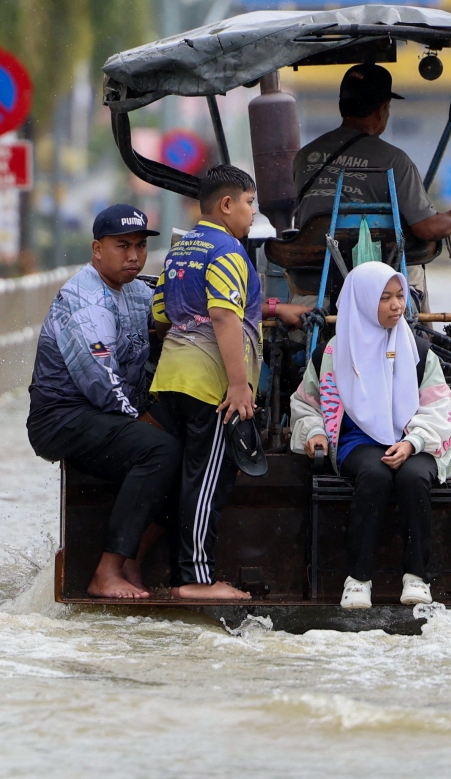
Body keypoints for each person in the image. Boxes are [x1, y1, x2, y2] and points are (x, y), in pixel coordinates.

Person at [150, 164, 311, 600]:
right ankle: (195, 581)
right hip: (212, 387)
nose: (252, 212)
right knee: (207, 481)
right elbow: (224, 314)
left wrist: (272, 309)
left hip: (171, 379)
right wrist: (239, 386)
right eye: (249, 202)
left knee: (189, 476)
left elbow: (162, 315)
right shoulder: (227, 251)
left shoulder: (182, 250)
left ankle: (182, 572)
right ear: (226, 205)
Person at [289, 261, 451, 609]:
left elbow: (440, 409)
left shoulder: (417, 352)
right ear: (361, 301)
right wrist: (314, 432)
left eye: (400, 296)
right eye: (385, 298)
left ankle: (417, 576)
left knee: (414, 476)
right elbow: (306, 402)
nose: (396, 305)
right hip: (357, 442)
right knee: (373, 474)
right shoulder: (331, 353)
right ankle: (358, 579)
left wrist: (412, 442)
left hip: (414, 437)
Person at [27, 204, 179, 601]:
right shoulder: (87, 301)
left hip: (106, 413)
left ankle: (131, 558)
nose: (134, 256)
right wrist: (143, 420)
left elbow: (183, 311)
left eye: (141, 246)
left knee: (195, 439)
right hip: (63, 416)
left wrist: (272, 309)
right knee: (159, 449)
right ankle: (105, 571)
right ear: (97, 250)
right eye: (122, 246)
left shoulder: (135, 290)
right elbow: (102, 383)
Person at [293, 63, 451, 307]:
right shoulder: (393, 161)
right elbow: (428, 229)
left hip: (311, 282)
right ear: (381, 110)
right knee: (413, 269)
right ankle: (421, 345)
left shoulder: (304, 157)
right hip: (377, 285)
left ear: (342, 105)